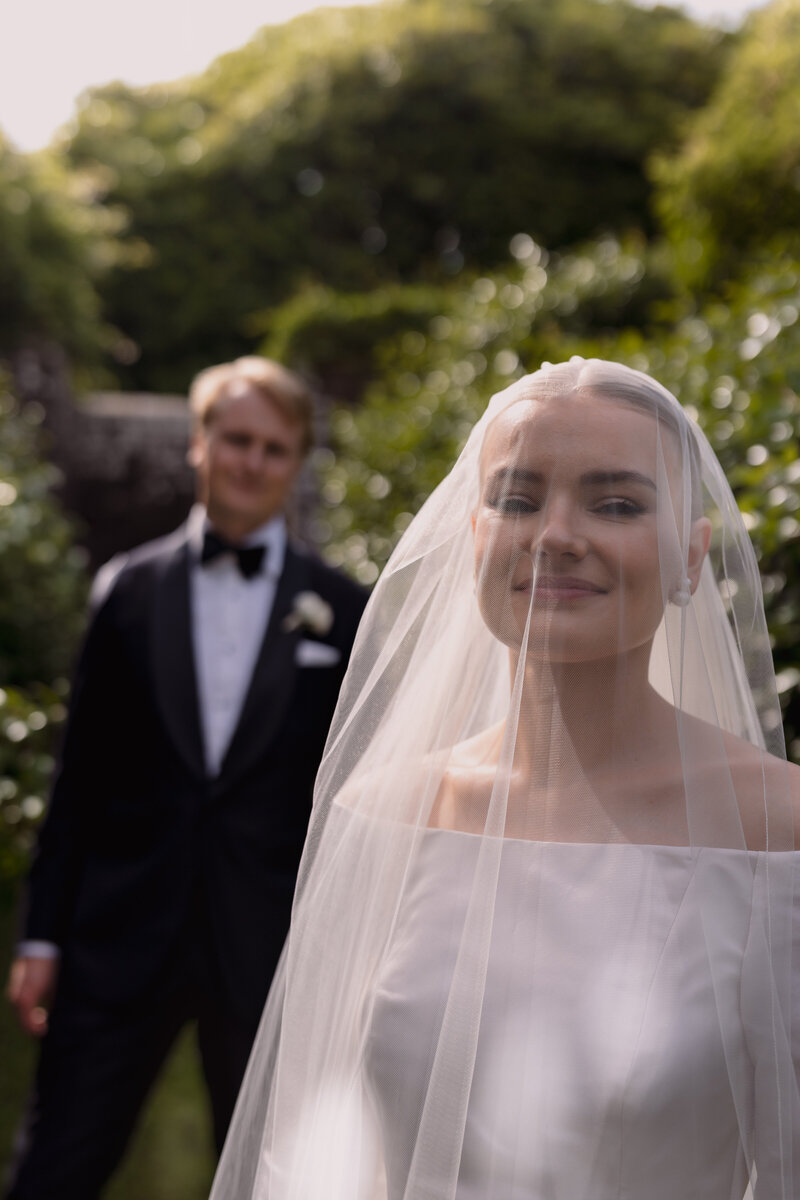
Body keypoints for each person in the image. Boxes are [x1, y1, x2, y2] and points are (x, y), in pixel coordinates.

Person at [210, 357, 800, 1200]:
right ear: (473, 536)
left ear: (691, 557)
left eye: (617, 503)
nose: (555, 534)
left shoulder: (779, 833)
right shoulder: (388, 811)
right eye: (517, 500)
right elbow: (317, 1152)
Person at [4, 355, 368, 1199]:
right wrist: (40, 936)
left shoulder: (345, 611)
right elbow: (79, 778)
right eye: (235, 439)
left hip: (269, 950)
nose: (251, 461)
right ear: (199, 445)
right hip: (119, 936)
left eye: (273, 449)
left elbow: (350, 798)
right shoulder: (124, 592)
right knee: (53, 1170)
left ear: (297, 461)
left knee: (277, 1183)